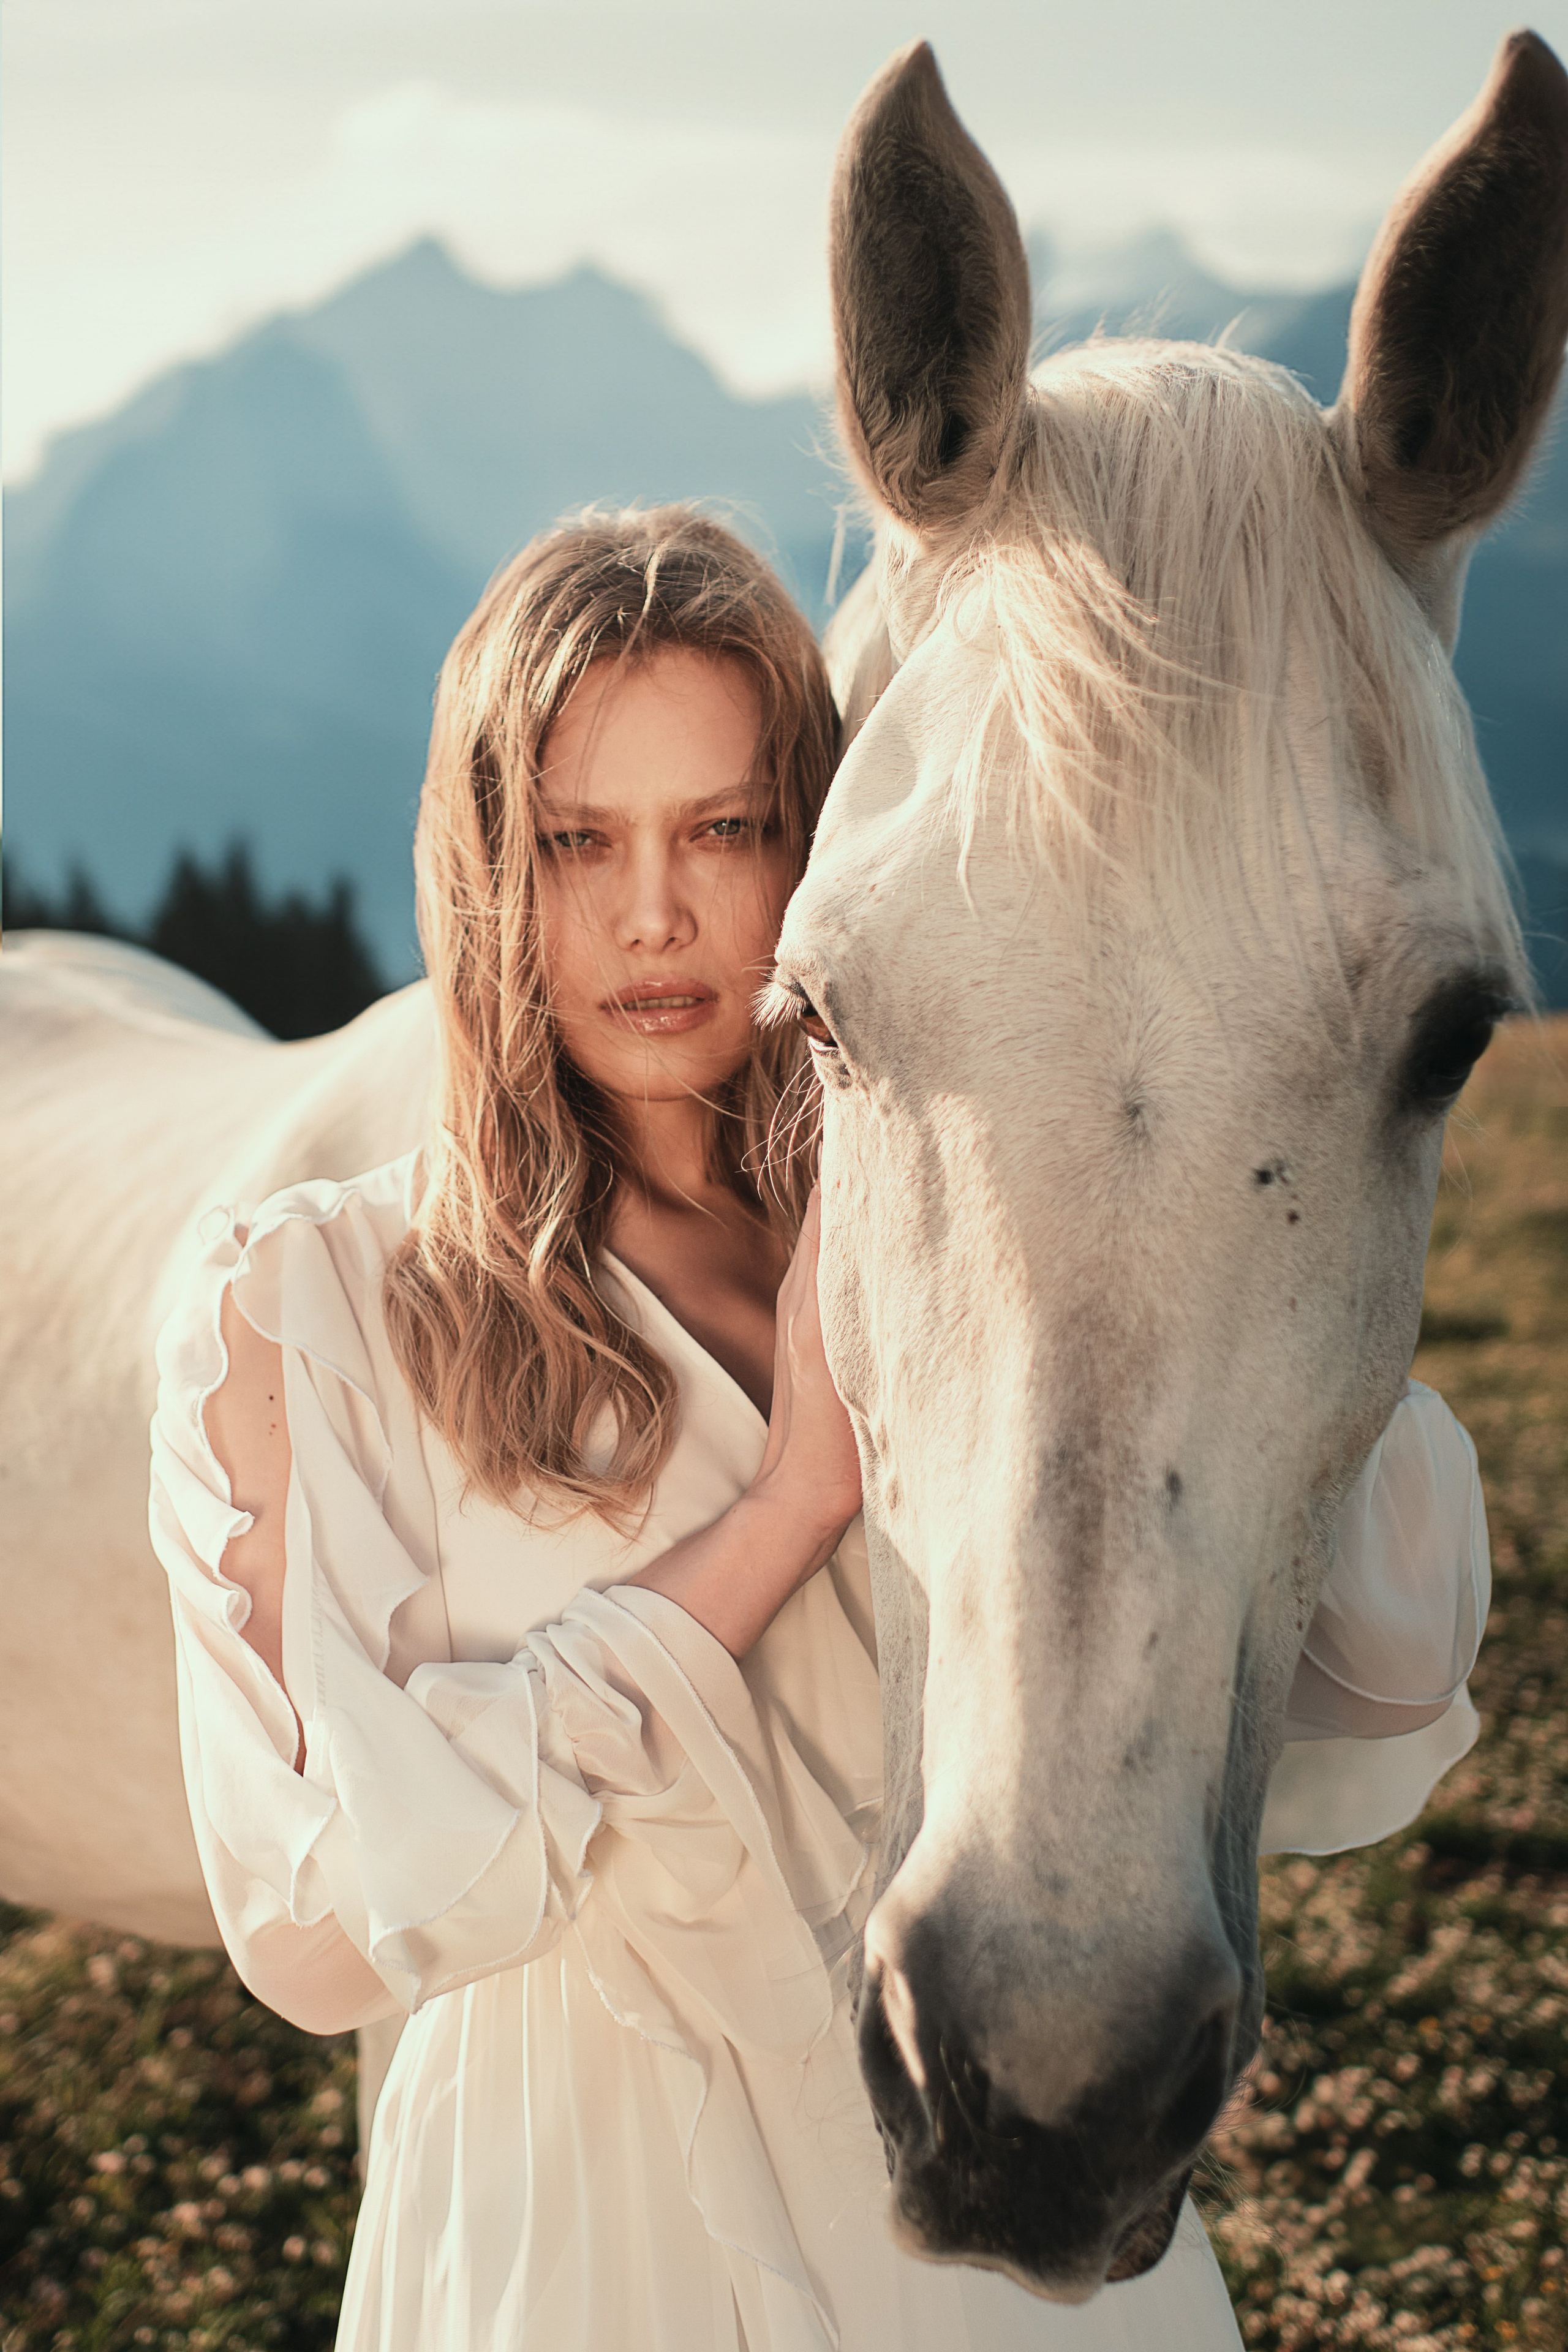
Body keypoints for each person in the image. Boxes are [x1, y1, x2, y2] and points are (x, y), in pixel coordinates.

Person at [149, 507, 1493, 2350]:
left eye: (725, 829)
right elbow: (312, 1927)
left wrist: (1272, 1219)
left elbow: (1376, 1697)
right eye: (575, 841)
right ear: (483, 868)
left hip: (984, 2212)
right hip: (574, 2244)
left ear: (826, 844)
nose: (653, 916)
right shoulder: (317, 1302)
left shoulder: (968, 1258)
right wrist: (786, 1511)